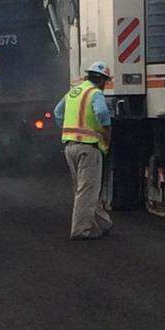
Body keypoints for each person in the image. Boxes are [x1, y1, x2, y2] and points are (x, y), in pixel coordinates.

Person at [54, 62, 113, 240]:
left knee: (84, 189)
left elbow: (57, 112)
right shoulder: (95, 94)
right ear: (101, 80)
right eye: (105, 82)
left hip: (70, 147)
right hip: (89, 148)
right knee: (87, 190)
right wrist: (107, 131)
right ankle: (80, 230)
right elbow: (102, 113)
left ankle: (103, 223)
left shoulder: (73, 92)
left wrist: (67, 129)